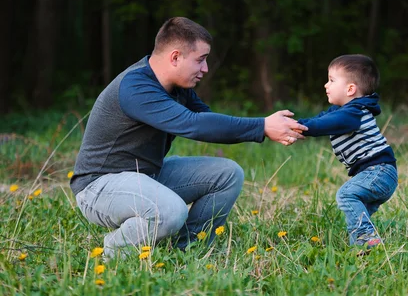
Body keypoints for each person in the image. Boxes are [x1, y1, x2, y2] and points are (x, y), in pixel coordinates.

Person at [70, 17, 307, 258]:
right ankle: (112, 252)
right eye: (201, 60)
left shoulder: (178, 88)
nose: (205, 69)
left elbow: (208, 121)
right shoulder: (136, 87)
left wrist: (295, 126)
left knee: (228, 174)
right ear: (175, 57)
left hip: (146, 176)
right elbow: (192, 125)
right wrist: (263, 125)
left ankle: (189, 250)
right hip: (99, 187)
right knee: (170, 211)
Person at [296, 54, 397, 251]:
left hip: (379, 172)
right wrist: (294, 127)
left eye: (331, 80)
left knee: (346, 195)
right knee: (357, 214)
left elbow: (324, 125)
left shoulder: (354, 112)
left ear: (350, 89)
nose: (326, 85)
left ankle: (367, 240)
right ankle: (362, 249)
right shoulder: (341, 110)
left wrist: (301, 127)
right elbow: (319, 119)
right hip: (378, 174)